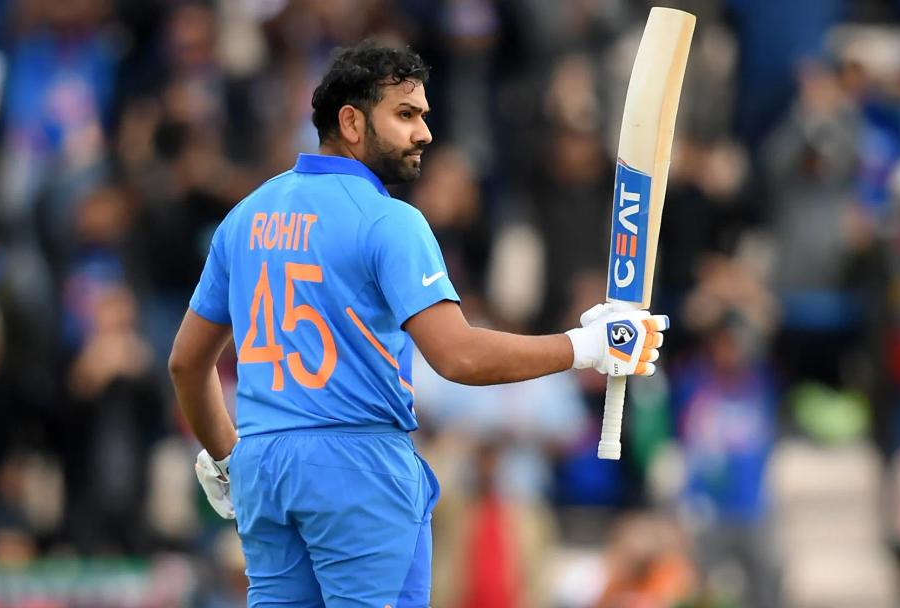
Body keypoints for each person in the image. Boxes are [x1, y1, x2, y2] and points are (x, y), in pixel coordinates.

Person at [168, 41, 670, 607]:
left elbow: (187, 363)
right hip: (357, 467)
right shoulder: (390, 220)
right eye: (405, 115)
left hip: (263, 465)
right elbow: (459, 356)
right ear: (351, 122)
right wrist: (588, 346)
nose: (424, 133)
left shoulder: (245, 217)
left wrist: (227, 456)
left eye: (424, 115)